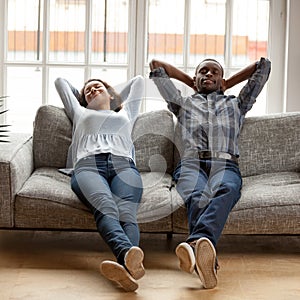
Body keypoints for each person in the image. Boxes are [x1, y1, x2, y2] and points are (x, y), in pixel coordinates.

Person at [149, 57, 271, 289]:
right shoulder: (182, 103)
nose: (208, 75)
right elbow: (156, 66)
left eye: (214, 72)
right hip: (191, 164)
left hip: (225, 164)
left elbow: (263, 67)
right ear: (196, 78)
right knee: (196, 195)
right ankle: (205, 258)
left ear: (221, 79)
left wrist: (225, 83)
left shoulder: (238, 104)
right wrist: (194, 81)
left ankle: (196, 245)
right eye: (203, 71)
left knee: (226, 188)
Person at [55, 75, 145, 292]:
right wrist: (86, 94)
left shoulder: (126, 113)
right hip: (88, 166)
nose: (93, 90)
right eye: (88, 91)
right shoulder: (80, 112)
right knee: (106, 208)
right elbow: (60, 82)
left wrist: (110, 94)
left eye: (98, 87)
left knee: (127, 213)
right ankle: (128, 257)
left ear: (110, 93)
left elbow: (139, 81)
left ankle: (126, 269)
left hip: (124, 166)